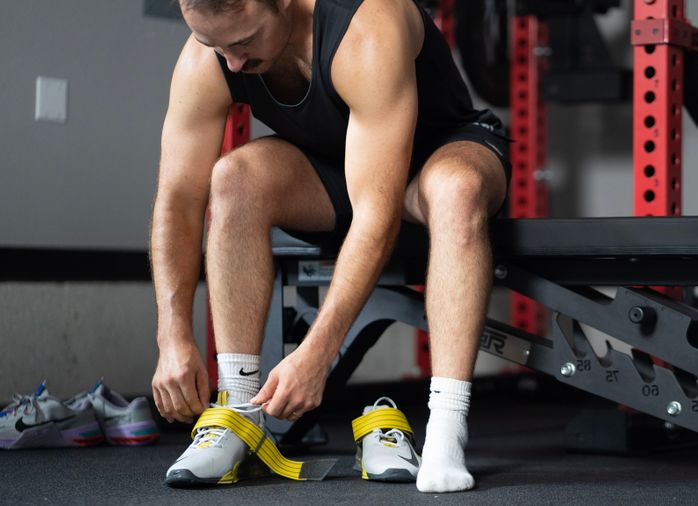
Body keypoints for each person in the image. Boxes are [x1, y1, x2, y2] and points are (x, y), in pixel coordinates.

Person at [149, 0, 510, 493]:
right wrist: (172, 337)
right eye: (215, 45)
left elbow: (376, 215)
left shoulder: (365, 25)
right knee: (233, 178)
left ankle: (447, 429)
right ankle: (237, 410)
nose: (232, 63)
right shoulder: (207, 58)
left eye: (242, 42)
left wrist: (318, 351)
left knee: (456, 189)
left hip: (440, 155)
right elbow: (177, 201)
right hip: (339, 170)